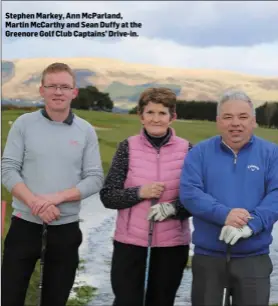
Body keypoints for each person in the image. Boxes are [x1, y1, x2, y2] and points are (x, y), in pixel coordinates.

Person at [1, 62, 104, 306]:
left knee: (55, 300)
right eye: (52, 86)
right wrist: (36, 202)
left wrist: (56, 198)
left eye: (64, 87)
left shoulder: (85, 130)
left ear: (74, 92)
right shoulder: (23, 124)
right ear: (42, 90)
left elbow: (95, 178)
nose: (58, 92)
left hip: (65, 229)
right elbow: (7, 169)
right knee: (9, 297)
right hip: (24, 226)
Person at [179, 90, 278, 306]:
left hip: (254, 257)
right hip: (209, 258)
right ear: (218, 122)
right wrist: (225, 215)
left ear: (253, 121)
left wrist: (252, 224)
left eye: (243, 117)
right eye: (228, 117)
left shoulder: (272, 153)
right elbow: (190, 193)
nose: (236, 123)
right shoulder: (200, 153)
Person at [100, 87, 192, 306]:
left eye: (162, 113)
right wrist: (140, 192)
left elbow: (196, 200)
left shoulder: (188, 150)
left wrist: (172, 208)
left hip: (172, 246)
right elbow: (108, 196)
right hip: (130, 244)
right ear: (141, 116)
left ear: (173, 117)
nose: (156, 119)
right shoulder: (127, 147)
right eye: (150, 112)